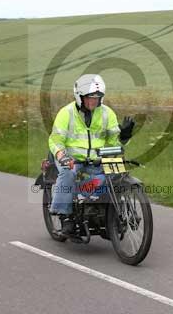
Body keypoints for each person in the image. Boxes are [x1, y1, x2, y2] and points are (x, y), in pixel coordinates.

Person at [48, 74, 135, 235]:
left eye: (97, 97)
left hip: (96, 159)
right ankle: (65, 216)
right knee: (68, 173)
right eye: (89, 97)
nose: (93, 101)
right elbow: (55, 139)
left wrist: (124, 136)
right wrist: (62, 155)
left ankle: (108, 215)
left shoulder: (107, 113)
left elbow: (114, 143)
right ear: (79, 96)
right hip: (71, 158)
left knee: (117, 176)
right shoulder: (66, 113)